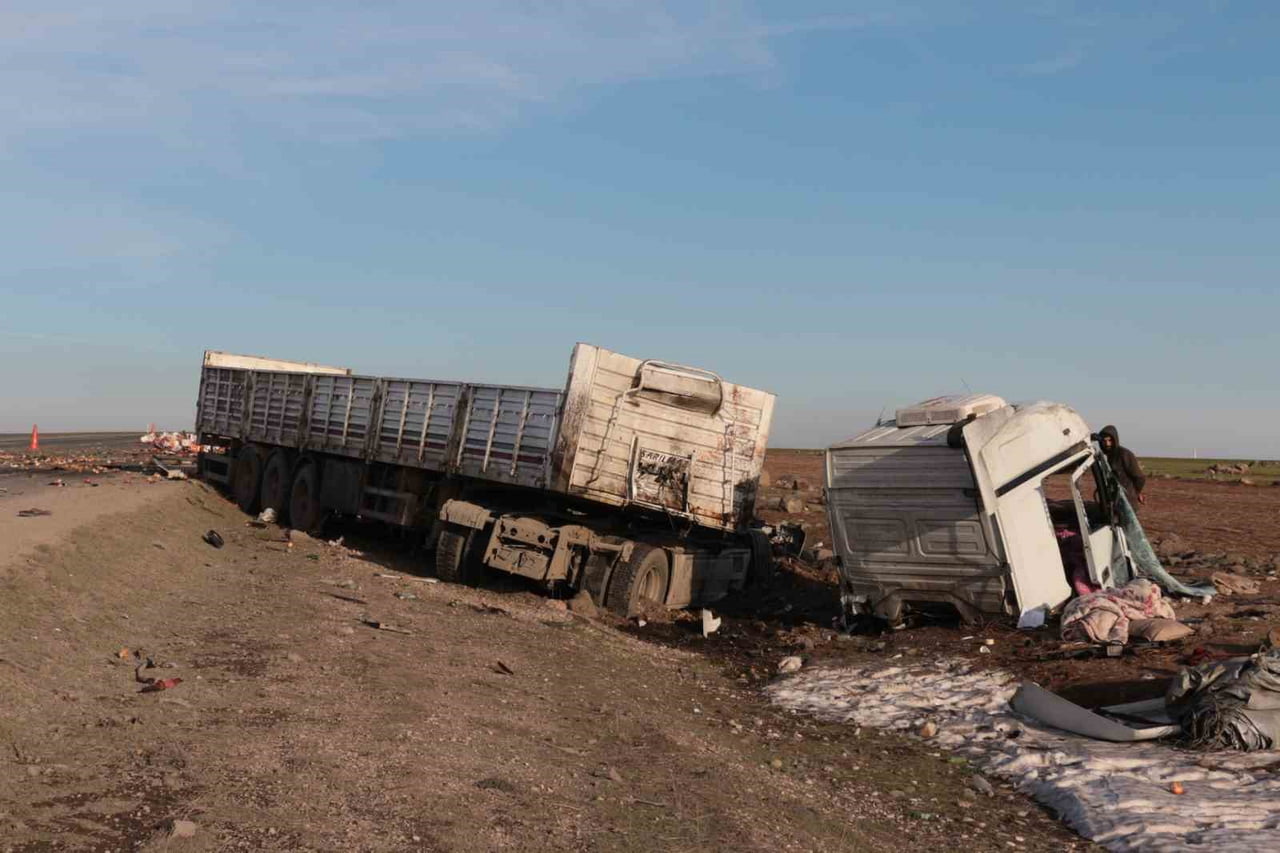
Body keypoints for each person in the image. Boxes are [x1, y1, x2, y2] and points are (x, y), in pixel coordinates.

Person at [1099, 425, 1146, 509]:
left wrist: (1136, 492)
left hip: (1127, 503)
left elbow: (1140, 477)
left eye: (1110, 440)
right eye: (1104, 441)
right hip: (1117, 501)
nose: (1107, 444)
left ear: (1115, 440)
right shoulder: (1110, 456)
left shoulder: (1124, 454)